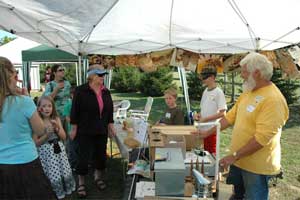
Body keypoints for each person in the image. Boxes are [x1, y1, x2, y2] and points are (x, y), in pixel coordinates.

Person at [192, 52, 289, 200]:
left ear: (256, 73)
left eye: (244, 71)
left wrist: (234, 156)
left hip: (256, 167)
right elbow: (229, 117)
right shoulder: (248, 92)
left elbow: (262, 139)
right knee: (237, 195)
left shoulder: (273, 100)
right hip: (239, 160)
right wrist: (207, 133)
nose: (241, 75)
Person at [0, 57, 56, 199]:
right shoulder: (24, 101)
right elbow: (40, 130)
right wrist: (27, 100)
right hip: (27, 162)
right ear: (10, 77)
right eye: (15, 75)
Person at [70, 65, 116, 198]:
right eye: (100, 75)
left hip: (101, 129)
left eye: (103, 75)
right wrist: (74, 128)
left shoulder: (106, 91)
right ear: (91, 76)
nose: (102, 77)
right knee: (83, 157)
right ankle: (81, 183)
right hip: (85, 130)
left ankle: (98, 178)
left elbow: (109, 108)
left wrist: (110, 124)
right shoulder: (80, 91)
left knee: (100, 155)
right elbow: (74, 111)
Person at [33, 96, 76, 199]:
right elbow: (35, 143)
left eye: (49, 106)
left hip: (59, 150)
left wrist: (57, 128)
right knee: (52, 173)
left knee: (62, 170)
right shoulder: (37, 122)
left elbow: (64, 137)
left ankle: (64, 189)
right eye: (44, 106)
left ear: (53, 107)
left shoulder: (56, 119)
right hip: (46, 153)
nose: (47, 108)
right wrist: (46, 136)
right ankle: (53, 192)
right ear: (39, 108)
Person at [194, 67, 227, 155]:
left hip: (211, 129)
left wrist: (206, 119)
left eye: (205, 78)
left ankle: (214, 169)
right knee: (202, 154)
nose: (203, 80)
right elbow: (203, 109)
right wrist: (198, 115)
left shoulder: (218, 92)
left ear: (212, 77)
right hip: (202, 128)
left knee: (211, 154)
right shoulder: (205, 91)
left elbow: (222, 113)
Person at [43, 64, 71, 128]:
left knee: (68, 134)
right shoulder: (50, 85)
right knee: (58, 132)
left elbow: (69, 96)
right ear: (54, 73)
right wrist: (56, 90)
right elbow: (47, 99)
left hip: (68, 113)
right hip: (56, 114)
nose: (63, 71)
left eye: (63, 70)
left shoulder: (67, 83)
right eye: (60, 70)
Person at [63, 86, 77, 169]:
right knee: (72, 148)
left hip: (80, 130)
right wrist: (74, 124)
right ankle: (72, 164)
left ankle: (80, 163)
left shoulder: (81, 105)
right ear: (71, 95)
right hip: (71, 130)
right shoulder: (68, 105)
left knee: (78, 147)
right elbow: (67, 117)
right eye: (74, 94)